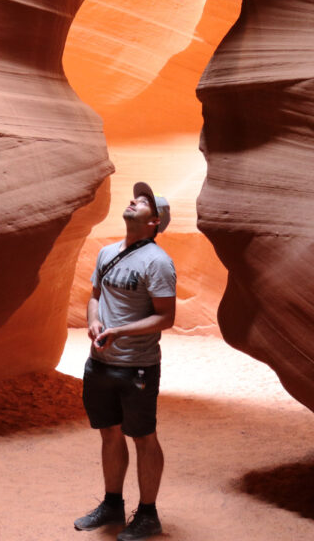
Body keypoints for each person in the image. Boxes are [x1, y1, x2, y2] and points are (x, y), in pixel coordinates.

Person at [74, 182, 176, 540]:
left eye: (144, 202)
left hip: (137, 367)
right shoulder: (106, 253)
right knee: (110, 433)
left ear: (154, 222)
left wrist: (119, 331)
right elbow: (94, 296)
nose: (134, 201)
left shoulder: (158, 262)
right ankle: (112, 504)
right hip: (100, 363)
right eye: (135, 198)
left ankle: (148, 515)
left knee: (143, 437)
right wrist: (94, 321)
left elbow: (166, 317)